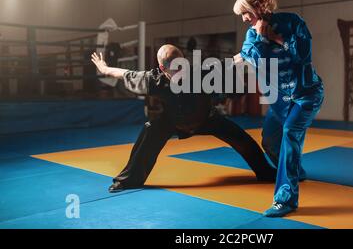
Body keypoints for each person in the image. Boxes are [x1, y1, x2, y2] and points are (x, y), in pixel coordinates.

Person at [91, 45, 276, 193]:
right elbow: (125, 74)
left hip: (206, 118)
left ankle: (266, 173)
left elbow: (231, 61)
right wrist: (105, 68)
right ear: (163, 69)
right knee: (150, 130)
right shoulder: (154, 80)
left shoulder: (201, 73)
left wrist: (250, 49)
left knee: (242, 139)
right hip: (174, 121)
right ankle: (128, 181)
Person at [233, 0, 325, 217]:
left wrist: (275, 37)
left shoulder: (292, 22)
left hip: (306, 95)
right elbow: (253, 57)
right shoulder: (251, 34)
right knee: (270, 142)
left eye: (246, 12)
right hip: (280, 100)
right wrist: (260, 38)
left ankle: (285, 200)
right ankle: (295, 170)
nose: (244, 19)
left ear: (260, 7)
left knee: (290, 133)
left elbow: (303, 55)